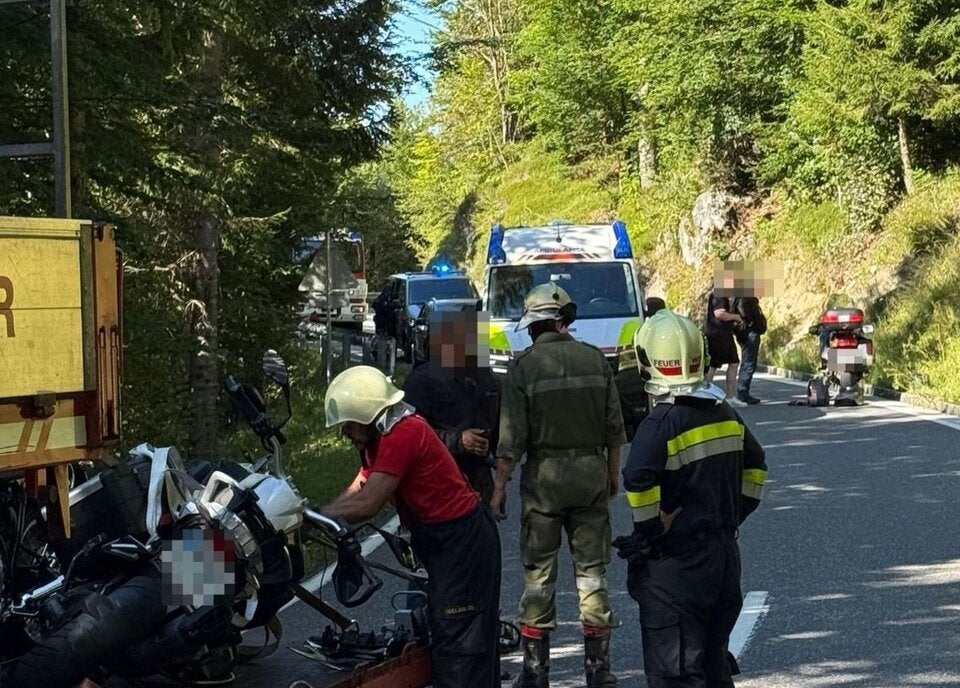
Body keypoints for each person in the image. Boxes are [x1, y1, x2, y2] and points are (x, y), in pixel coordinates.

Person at [320, 365, 501, 688]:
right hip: (445, 540)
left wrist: (319, 516)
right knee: (448, 633)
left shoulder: (403, 433)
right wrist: (315, 516)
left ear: (366, 414)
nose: (344, 433)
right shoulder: (378, 439)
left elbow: (368, 503)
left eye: (347, 424)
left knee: (461, 645)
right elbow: (361, 486)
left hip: (462, 542)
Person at [615, 310, 767, 688]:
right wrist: (734, 513)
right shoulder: (724, 411)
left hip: (676, 569)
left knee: (678, 673)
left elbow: (637, 479)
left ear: (647, 361)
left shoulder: (660, 424)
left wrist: (652, 526)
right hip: (723, 559)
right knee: (714, 666)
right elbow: (757, 466)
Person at [491, 283, 625, 688]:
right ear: (565, 319)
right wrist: (611, 475)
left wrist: (498, 488)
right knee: (592, 574)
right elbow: (614, 430)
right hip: (590, 476)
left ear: (532, 327)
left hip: (545, 482)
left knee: (538, 575)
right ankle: (598, 673)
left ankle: (536, 673)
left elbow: (510, 440)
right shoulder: (595, 361)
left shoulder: (523, 368)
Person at [402, 307, 500, 505]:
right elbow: (406, 436)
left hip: (480, 482)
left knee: (485, 536)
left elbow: (499, 431)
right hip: (437, 484)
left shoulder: (488, 379)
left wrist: (500, 486)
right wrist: (457, 441)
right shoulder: (422, 381)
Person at [703, 281, 745, 407]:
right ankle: (704, 394)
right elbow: (719, 314)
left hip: (724, 334)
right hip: (718, 334)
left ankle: (730, 397)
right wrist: (736, 317)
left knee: (734, 362)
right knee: (713, 364)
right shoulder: (719, 294)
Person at [732, 296, 766, 405]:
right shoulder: (745, 295)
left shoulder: (738, 295)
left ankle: (743, 391)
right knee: (749, 363)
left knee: (747, 361)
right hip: (749, 333)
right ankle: (743, 392)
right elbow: (742, 306)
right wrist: (750, 320)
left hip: (744, 332)